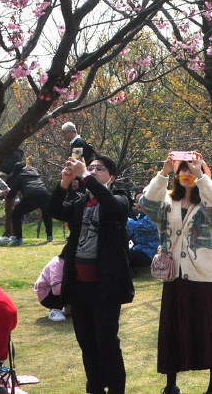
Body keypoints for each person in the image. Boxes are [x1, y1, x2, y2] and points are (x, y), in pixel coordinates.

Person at [141, 151, 212, 394]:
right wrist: (163, 172)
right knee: (173, 331)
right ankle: (170, 385)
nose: (186, 173)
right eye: (182, 169)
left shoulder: (207, 200)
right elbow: (146, 203)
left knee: (211, 330)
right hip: (174, 275)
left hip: (202, 274)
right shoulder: (167, 201)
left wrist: (202, 175)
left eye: (191, 169)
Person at [46, 153, 134, 394]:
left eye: (99, 169)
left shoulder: (120, 197)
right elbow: (53, 209)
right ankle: (94, 387)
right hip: (79, 286)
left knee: (106, 341)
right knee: (87, 343)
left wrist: (84, 174)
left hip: (106, 286)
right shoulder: (81, 202)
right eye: (91, 168)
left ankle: (116, 389)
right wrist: (64, 182)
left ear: (112, 177)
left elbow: (115, 207)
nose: (93, 171)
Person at [0, 160, 52, 245]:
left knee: (15, 215)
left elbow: (11, 194)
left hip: (30, 195)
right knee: (46, 214)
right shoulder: (35, 172)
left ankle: (19, 239)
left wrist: (6, 194)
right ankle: (50, 237)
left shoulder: (19, 177)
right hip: (45, 194)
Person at [126, 199, 160, 272]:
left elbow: (137, 226)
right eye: (136, 201)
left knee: (127, 255)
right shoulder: (139, 216)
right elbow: (129, 232)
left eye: (141, 200)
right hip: (138, 248)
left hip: (151, 251)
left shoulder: (153, 215)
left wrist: (121, 216)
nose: (138, 204)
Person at [33, 256, 66, 322]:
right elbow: (56, 290)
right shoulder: (57, 263)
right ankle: (55, 310)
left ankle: (69, 307)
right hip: (46, 295)